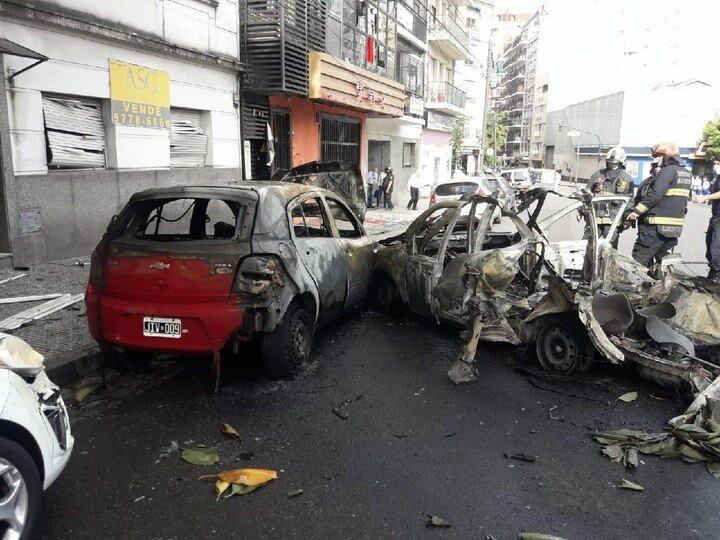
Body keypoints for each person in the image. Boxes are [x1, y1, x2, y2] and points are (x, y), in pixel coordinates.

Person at [627, 142, 692, 269]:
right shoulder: (685, 173)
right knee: (661, 263)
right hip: (674, 229)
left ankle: (635, 287)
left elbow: (655, 194)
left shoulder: (666, 171)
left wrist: (636, 212)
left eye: (658, 155)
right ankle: (659, 286)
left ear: (667, 156)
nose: (656, 159)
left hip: (656, 227)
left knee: (639, 260)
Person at [587, 146, 633, 249]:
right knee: (589, 246)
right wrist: (581, 211)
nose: (613, 165)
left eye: (616, 163)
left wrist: (628, 219)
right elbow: (587, 193)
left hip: (614, 219)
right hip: (595, 217)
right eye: (611, 162)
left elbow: (630, 201)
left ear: (621, 162)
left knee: (609, 249)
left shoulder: (627, 179)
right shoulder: (597, 175)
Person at [693, 159, 720, 281]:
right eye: (715, 163)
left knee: (716, 247)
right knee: (710, 244)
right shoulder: (717, 177)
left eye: (718, 163)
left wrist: (706, 197)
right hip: (715, 216)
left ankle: (717, 277)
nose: (716, 166)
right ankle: (713, 274)